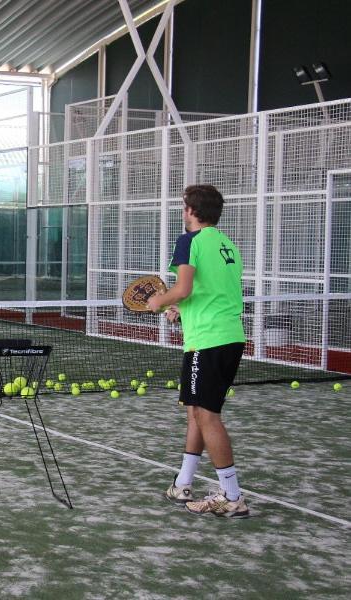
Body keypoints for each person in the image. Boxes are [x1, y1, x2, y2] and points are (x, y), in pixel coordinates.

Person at [148, 184, 249, 518]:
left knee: (206, 414)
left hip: (209, 340)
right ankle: (183, 483)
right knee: (196, 409)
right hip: (227, 334)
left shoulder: (188, 241)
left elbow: (184, 287)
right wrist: (181, 309)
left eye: (183, 206)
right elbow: (210, 292)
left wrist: (159, 302)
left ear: (190, 210)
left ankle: (232, 496)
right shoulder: (226, 244)